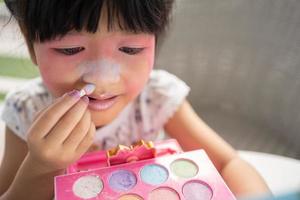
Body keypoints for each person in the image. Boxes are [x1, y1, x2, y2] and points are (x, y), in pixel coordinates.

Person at [0, 0, 270, 199]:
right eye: (70, 49)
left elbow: (228, 164)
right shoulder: (27, 110)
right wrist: (40, 166)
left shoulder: (156, 98)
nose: (103, 79)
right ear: (30, 44)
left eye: (131, 49)